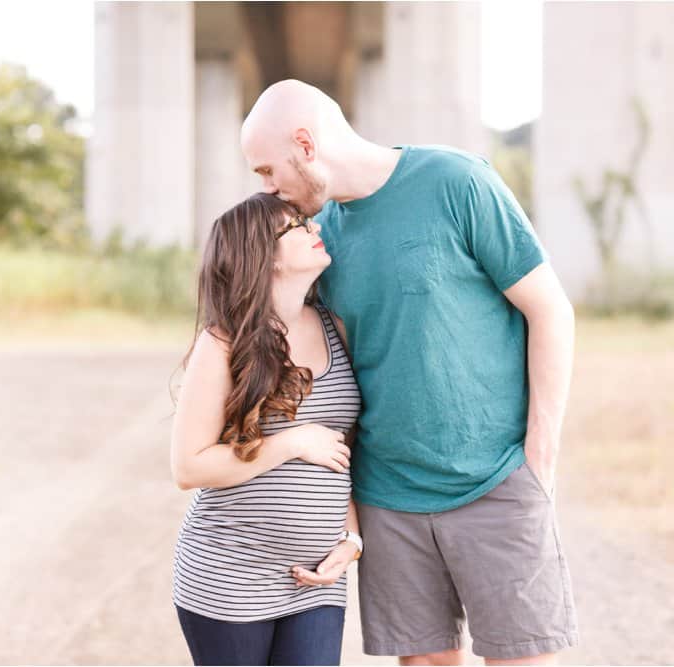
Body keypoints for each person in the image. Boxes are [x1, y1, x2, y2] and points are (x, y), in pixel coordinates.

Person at [240, 79, 579, 666]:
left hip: (495, 481)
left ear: (305, 143)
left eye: (269, 171)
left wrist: (540, 455)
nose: (270, 191)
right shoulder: (321, 242)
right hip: (389, 498)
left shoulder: (457, 182)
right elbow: (334, 371)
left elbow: (549, 309)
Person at [170, 192, 363, 666]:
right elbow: (188, 466)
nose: (315, 228)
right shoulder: (222, 342)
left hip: (316, 581)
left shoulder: (336, 327)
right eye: (297, 225)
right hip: (229, 577)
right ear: (264, 255)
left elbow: (348, 450)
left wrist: (352, 539)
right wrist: (292, 441)